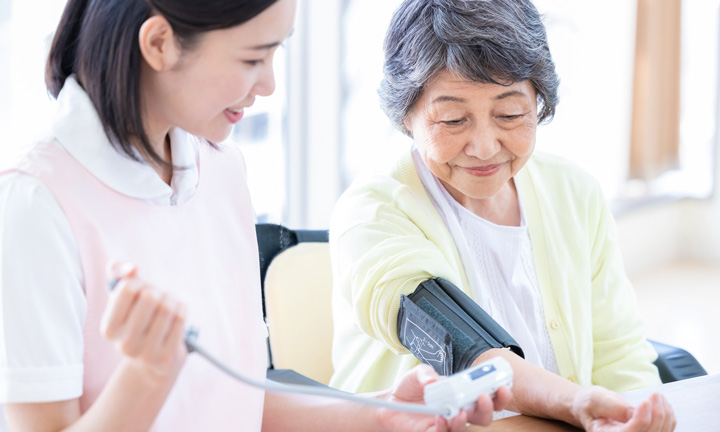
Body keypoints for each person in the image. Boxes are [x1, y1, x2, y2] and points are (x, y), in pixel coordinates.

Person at [0, 0, 512, 431]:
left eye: (277, 52)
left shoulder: (219, 169)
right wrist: (147, 376)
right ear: (158, 44)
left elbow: (238, 400)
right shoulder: (35, 204)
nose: (268, 84)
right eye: (252, 58)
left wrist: (380, 415)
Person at [328, 0, 676, 430]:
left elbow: (618, 353)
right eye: (453, 120)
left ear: (538, 102)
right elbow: (459, 344)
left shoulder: (574, 193)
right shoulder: (372, 211)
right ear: (407, 116)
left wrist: (632, 416)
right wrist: (577, 401)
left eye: (510, 114)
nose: (485, 146)